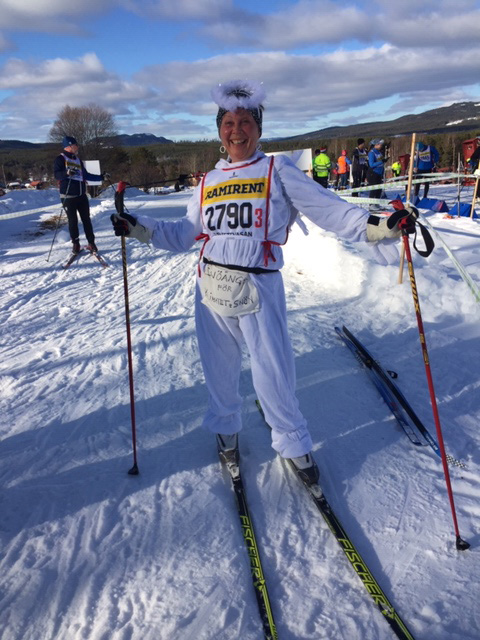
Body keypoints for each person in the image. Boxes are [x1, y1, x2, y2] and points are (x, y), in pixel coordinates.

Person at [111, 80, 416, 485]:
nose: (236, 130)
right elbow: (184, 233)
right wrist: (140, 228)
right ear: (219, 130)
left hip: (258, 287)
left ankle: (292, 441)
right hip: (210, 286)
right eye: (228, 122)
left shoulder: (278, 169)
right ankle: (225, 429)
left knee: (273, 370)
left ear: (258, 128)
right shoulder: (208, 182)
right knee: (218, 367)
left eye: (245, 122)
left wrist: (378, 226)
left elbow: (329, 209)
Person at [53, 136, 107, 254]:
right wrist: (67, 173)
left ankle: (91, 243)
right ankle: (76, 244)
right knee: (73, 221)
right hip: (68, 196)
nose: (77, 147)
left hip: (81, 195)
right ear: (69, 146)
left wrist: (101, 177)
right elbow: (57, 175)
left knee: (86, 220)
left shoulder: (78, 160)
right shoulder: (60, 159)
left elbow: (86, 175)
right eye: (75, 145)